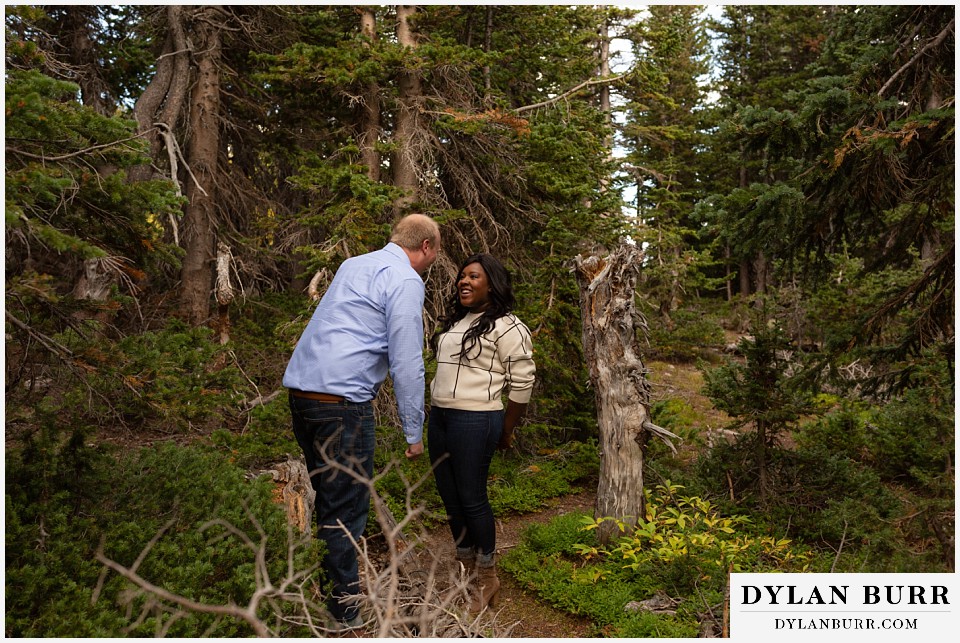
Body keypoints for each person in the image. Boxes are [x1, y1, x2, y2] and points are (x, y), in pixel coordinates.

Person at [283, 213, 440, 629]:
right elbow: (407, 362)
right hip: (342, 404)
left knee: (324, 498)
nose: (433, 262)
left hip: (303, 395)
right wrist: (413, 430)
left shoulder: (355, 265)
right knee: (345, 509)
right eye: (435, 254)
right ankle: (343, 613)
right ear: (426, 247)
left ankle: (317, 590)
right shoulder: (406, 280)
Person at [428, 253, 536, 613]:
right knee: (449, 496)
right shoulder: (459, 322)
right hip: (441, 418)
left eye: (473, 276)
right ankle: (465, 568)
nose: (463, 281)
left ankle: (487, 576)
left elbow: (522, 383)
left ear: (492, 283)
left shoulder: (508, 326)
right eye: (462, 276)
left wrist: (507, 429)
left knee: (471, 497)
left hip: (476, 419)